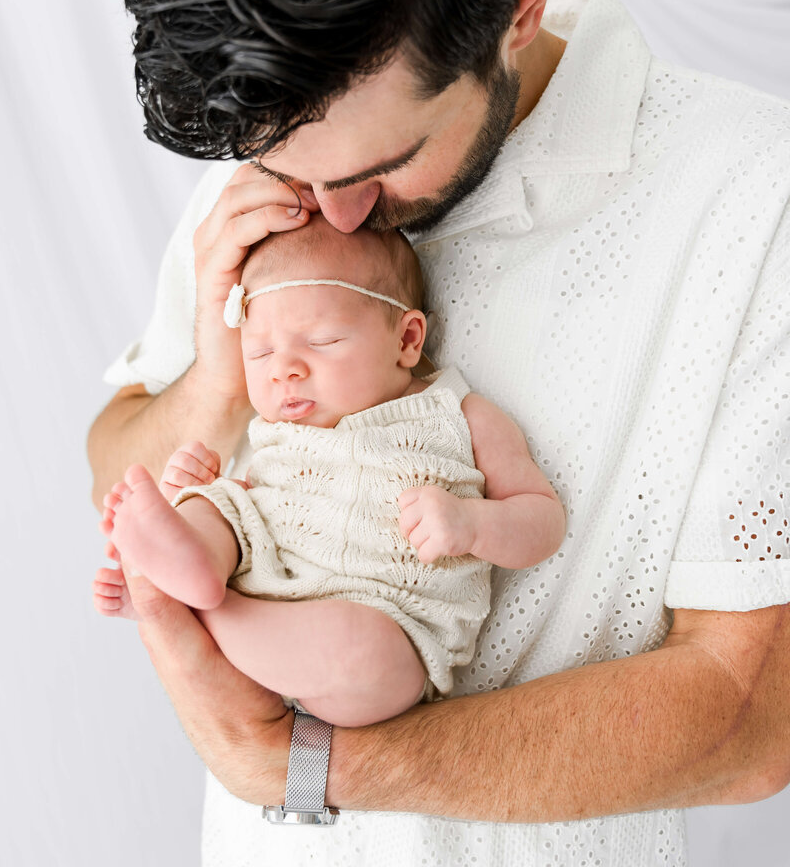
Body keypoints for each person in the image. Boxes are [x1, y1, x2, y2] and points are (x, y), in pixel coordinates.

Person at [88, 0, 790, 867]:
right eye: (288, 169)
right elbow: (115, 477)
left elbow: (751, 714)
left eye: (378, 169)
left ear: (516, 11)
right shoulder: (289, 141)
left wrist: (310, 767)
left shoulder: (750, 200)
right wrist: (216, 385)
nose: (333, 213)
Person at [93, 215, 565, 727]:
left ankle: (189, 605)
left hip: (386, 622)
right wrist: (195, 493)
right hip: (265, 570)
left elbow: (543, 520)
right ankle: (186, 556)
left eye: (320, 341)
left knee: (367, 655)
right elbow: (256, 517)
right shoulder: (275, 432)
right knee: (224, 503)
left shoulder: (457, 415)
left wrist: (472, 524)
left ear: (407, 340)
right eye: (261, 352)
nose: (283, 369)